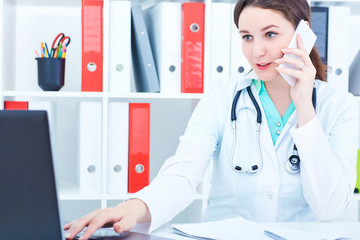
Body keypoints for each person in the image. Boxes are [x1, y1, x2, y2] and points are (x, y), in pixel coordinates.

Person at [64, 0, 359, 239]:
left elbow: (328, 207)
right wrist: (135, 207)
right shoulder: (221, 96)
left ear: (302, 33)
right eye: (247, 37)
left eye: (270, 34)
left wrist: (304, 108)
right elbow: (184, 172)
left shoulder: (341, 107)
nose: (257, 51)